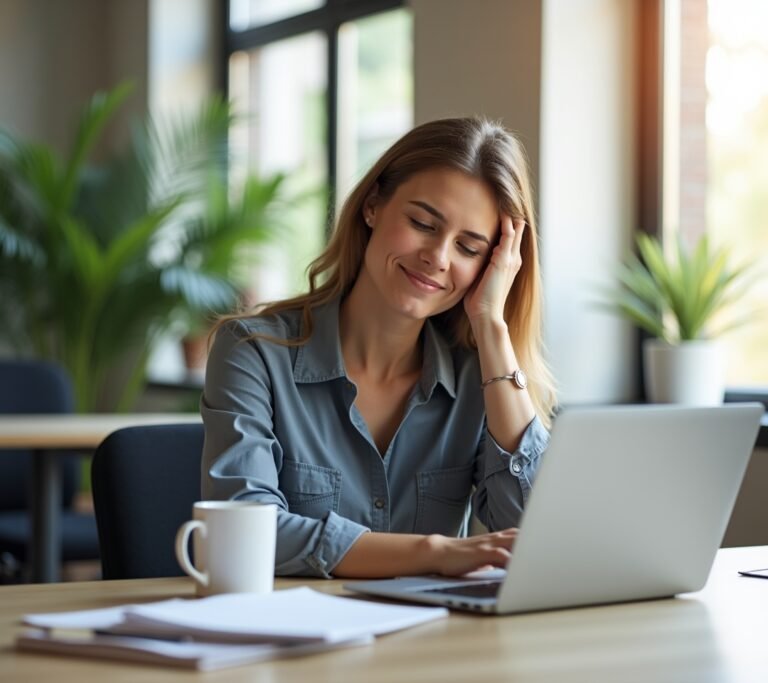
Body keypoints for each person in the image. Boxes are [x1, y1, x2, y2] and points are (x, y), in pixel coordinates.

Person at [201, 116, 556, 579]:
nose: (438, 257)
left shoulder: (480, 377)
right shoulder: (253, 353)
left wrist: (491, 326)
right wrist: (433, 552)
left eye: (469, 249)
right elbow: (247, 531)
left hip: (436, 645)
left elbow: (538, 533)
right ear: (373, 206)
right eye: (422, 223)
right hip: (294, 642)